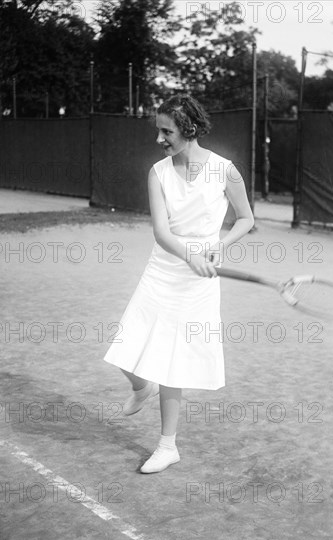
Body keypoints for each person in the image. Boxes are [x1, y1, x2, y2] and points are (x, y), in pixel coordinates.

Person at [103, 94, 254, 473]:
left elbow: (246, 219)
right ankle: (141, 387)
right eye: (158, 130)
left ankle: (167, 446)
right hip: (164, 268)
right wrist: (190, 255)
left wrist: (219, 246)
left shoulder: (225, 170)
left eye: (166, 130)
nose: (159, 138)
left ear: (188, 129)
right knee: (125, 343)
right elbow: (161, 232)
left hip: (198, 281)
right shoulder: (158, 172)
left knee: (173, 362)